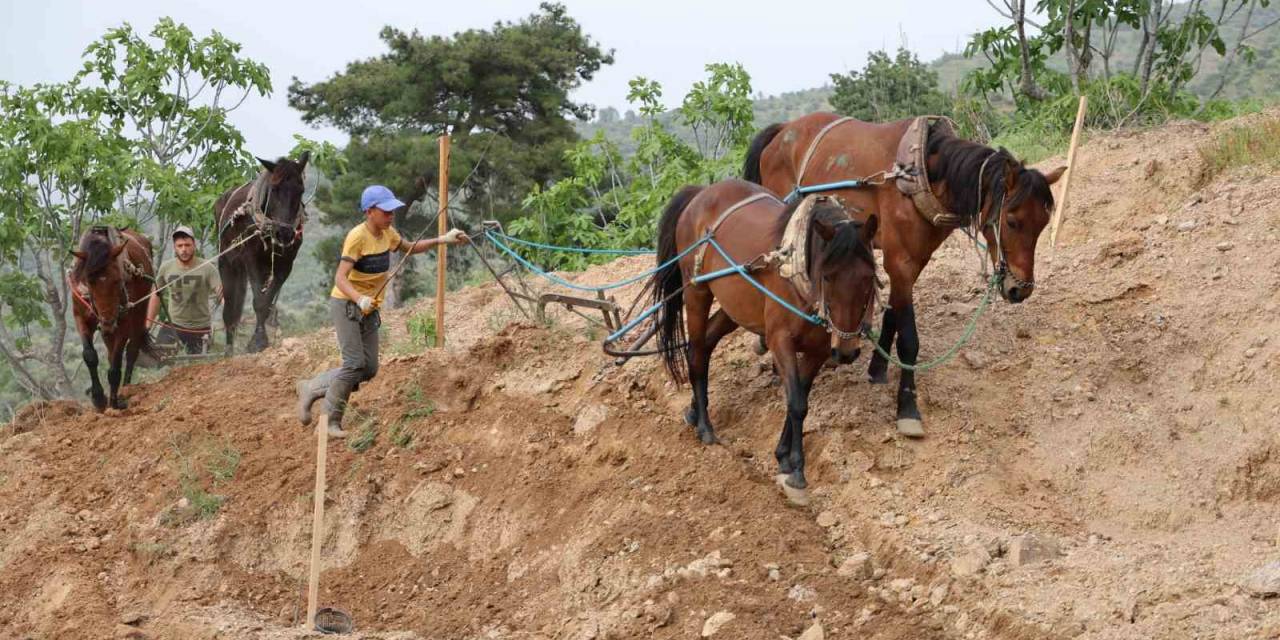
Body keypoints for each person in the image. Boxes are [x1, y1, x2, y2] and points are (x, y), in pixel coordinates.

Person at [295, 185, 469, 438]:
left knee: (369, 369)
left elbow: (409, 247)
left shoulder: (388, 233)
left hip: (369, 308)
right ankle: (330, 422)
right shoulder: (357, 237)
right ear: (369, 212)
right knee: (354, 363)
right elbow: (340, 278)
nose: (391, 216)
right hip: (346, 305)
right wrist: (359, 298)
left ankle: (312, 387)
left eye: (392, 211)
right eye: (386, 211)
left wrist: (443, 239)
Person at [146, 225, 222, 354]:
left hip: (200, 328)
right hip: (173, 326)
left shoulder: (208, 268)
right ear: (175, 248)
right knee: (157, 361)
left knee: (197, 367)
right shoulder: (166, 267)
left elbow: (221, 294)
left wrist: (232, 317)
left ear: (194, 245)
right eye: (180, 246)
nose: (184, 250)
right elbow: (156, 295)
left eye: (187, 245)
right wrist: (148, 325)